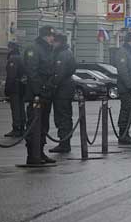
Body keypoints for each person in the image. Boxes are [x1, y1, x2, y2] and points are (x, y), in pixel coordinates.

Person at [22, 25, 57, 165]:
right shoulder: (34, 49)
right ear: (43, 36)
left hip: (46, 93)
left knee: (44, 125)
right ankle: (32, 154)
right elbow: (32, 72)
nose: (52, 38)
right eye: (49, 36)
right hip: (36, 95)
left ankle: (40, 152)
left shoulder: (48, 50)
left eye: (52, 36)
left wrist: (49, 87)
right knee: (33, 124)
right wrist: (39, 91)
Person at [48, 33, 77, 153]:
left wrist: (51, 86)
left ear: (58, 42)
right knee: (66, 116)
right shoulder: (68, 52)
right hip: (66, 88)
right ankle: (65, 142)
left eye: (54, 41)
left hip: (62, 90)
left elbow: (59, 73)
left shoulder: (62, 54)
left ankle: (64, 143)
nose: (52, 44)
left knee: (62, 117)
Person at [4, 42, 25, 138]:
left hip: (15, 87)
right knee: (20, 108)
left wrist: (7, 88)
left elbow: (11, 76)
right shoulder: (21, 57)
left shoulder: (12, 59)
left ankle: (16, 129)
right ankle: (22, 127)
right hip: (21, 86)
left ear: (11, 48)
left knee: (15, 108)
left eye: (8, 47)